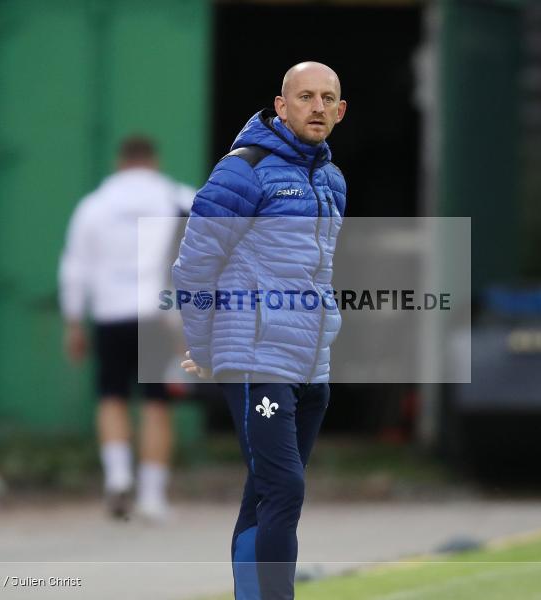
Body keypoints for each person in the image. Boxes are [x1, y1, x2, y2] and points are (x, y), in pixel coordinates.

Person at [173, 62, 347, 599]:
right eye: (304, 97)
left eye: (327, 99)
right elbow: (193, 267)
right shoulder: (243, 170)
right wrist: (203, 347)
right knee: (285, 487)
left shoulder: (332, 180)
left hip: (309, 362)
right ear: (281, 106)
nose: (316, 107)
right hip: (253, 356)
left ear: (340, 112)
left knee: (265, 493)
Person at [59, 135, 194, 521]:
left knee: (111, 397)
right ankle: (151, 497)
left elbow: (75, 266)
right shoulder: (175, 196)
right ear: (154, 160)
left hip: (109, 313)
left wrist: (73, 321)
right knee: (157, 404)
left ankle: (118, 477)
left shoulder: (94, 206)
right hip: (155, 314)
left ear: (121, 162)